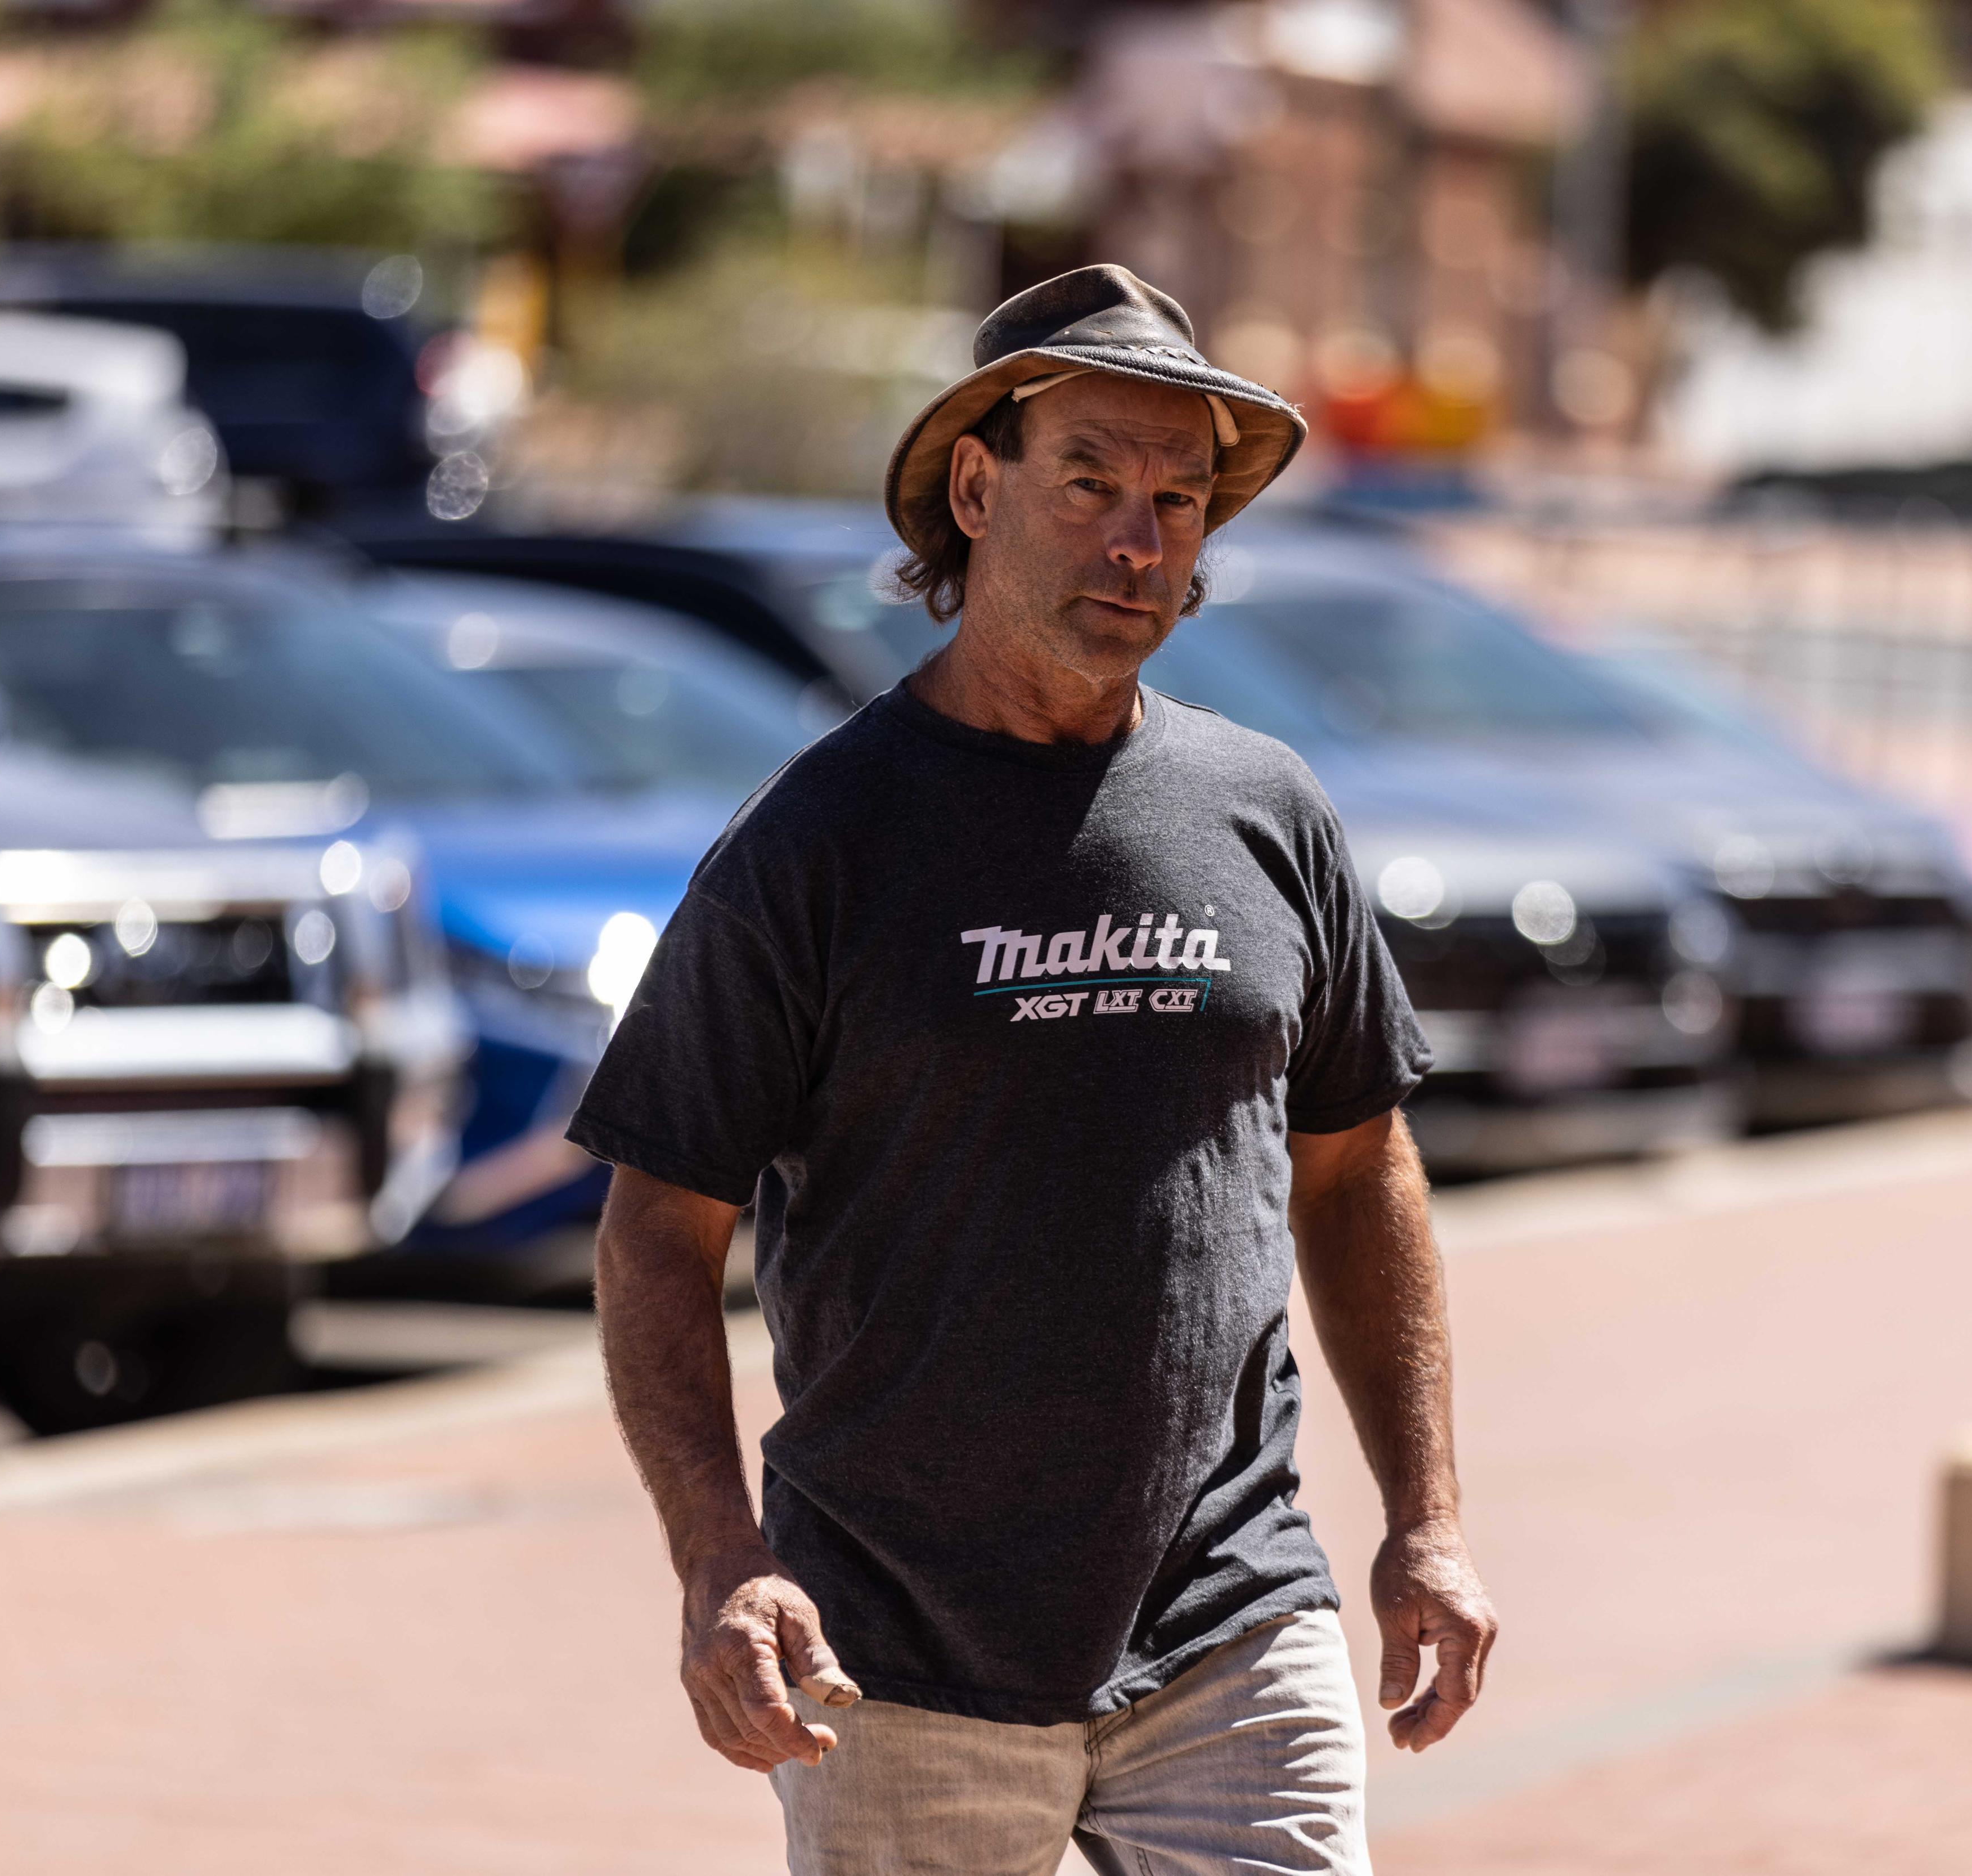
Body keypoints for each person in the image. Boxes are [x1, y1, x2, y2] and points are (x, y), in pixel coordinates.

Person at [574, 264, 1496, 1875]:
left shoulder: (1264, 813)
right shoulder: (820, 844)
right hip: (901, 1649)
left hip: (1232, 1617)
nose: (1138, 542)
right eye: (1089, 481)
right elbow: (661, 1223)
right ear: (978, 487)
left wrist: (1425, 1519)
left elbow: (1357, 1167)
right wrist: (718, 1559)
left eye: (1178, 497)